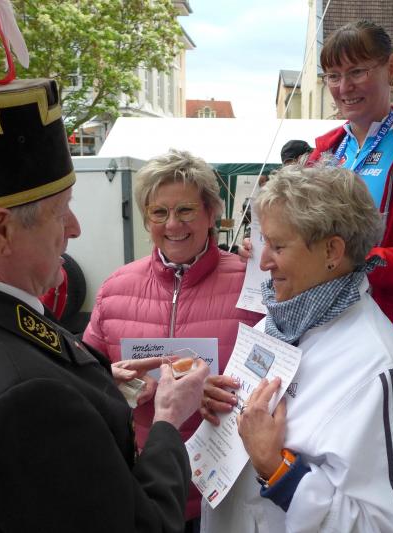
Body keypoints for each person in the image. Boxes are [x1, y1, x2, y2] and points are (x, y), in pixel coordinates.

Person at [0, 79, 209, 532]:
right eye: (61, 211)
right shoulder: (28, 401)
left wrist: (95, 387)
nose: (74, 228)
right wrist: (168, 420)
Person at [200, 164, 393, 532]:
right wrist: (223, 402)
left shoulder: (380, 369)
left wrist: (278, 469)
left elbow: (378, 525)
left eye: (278, 246)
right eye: (264, 242)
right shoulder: (275, 321)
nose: (262, 261)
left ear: (331, 250)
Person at [83, 149, 263, 529]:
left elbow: (280, 381)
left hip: (222, 492)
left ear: (211, 214)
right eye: (159, 212)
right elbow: (85, 381)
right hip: (143, 484)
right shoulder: (115, 288)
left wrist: (228, 394)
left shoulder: (251, 286)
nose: (173, 224)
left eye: (185, 210)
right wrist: (117, 383)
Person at [307, 20, 393, 322]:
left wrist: (364, 262)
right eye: (333, 76)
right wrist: (271, 247)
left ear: (392, 68)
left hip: (388, 321)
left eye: (357, 71)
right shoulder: (322, 153)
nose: (344, 87)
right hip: (323, 318)